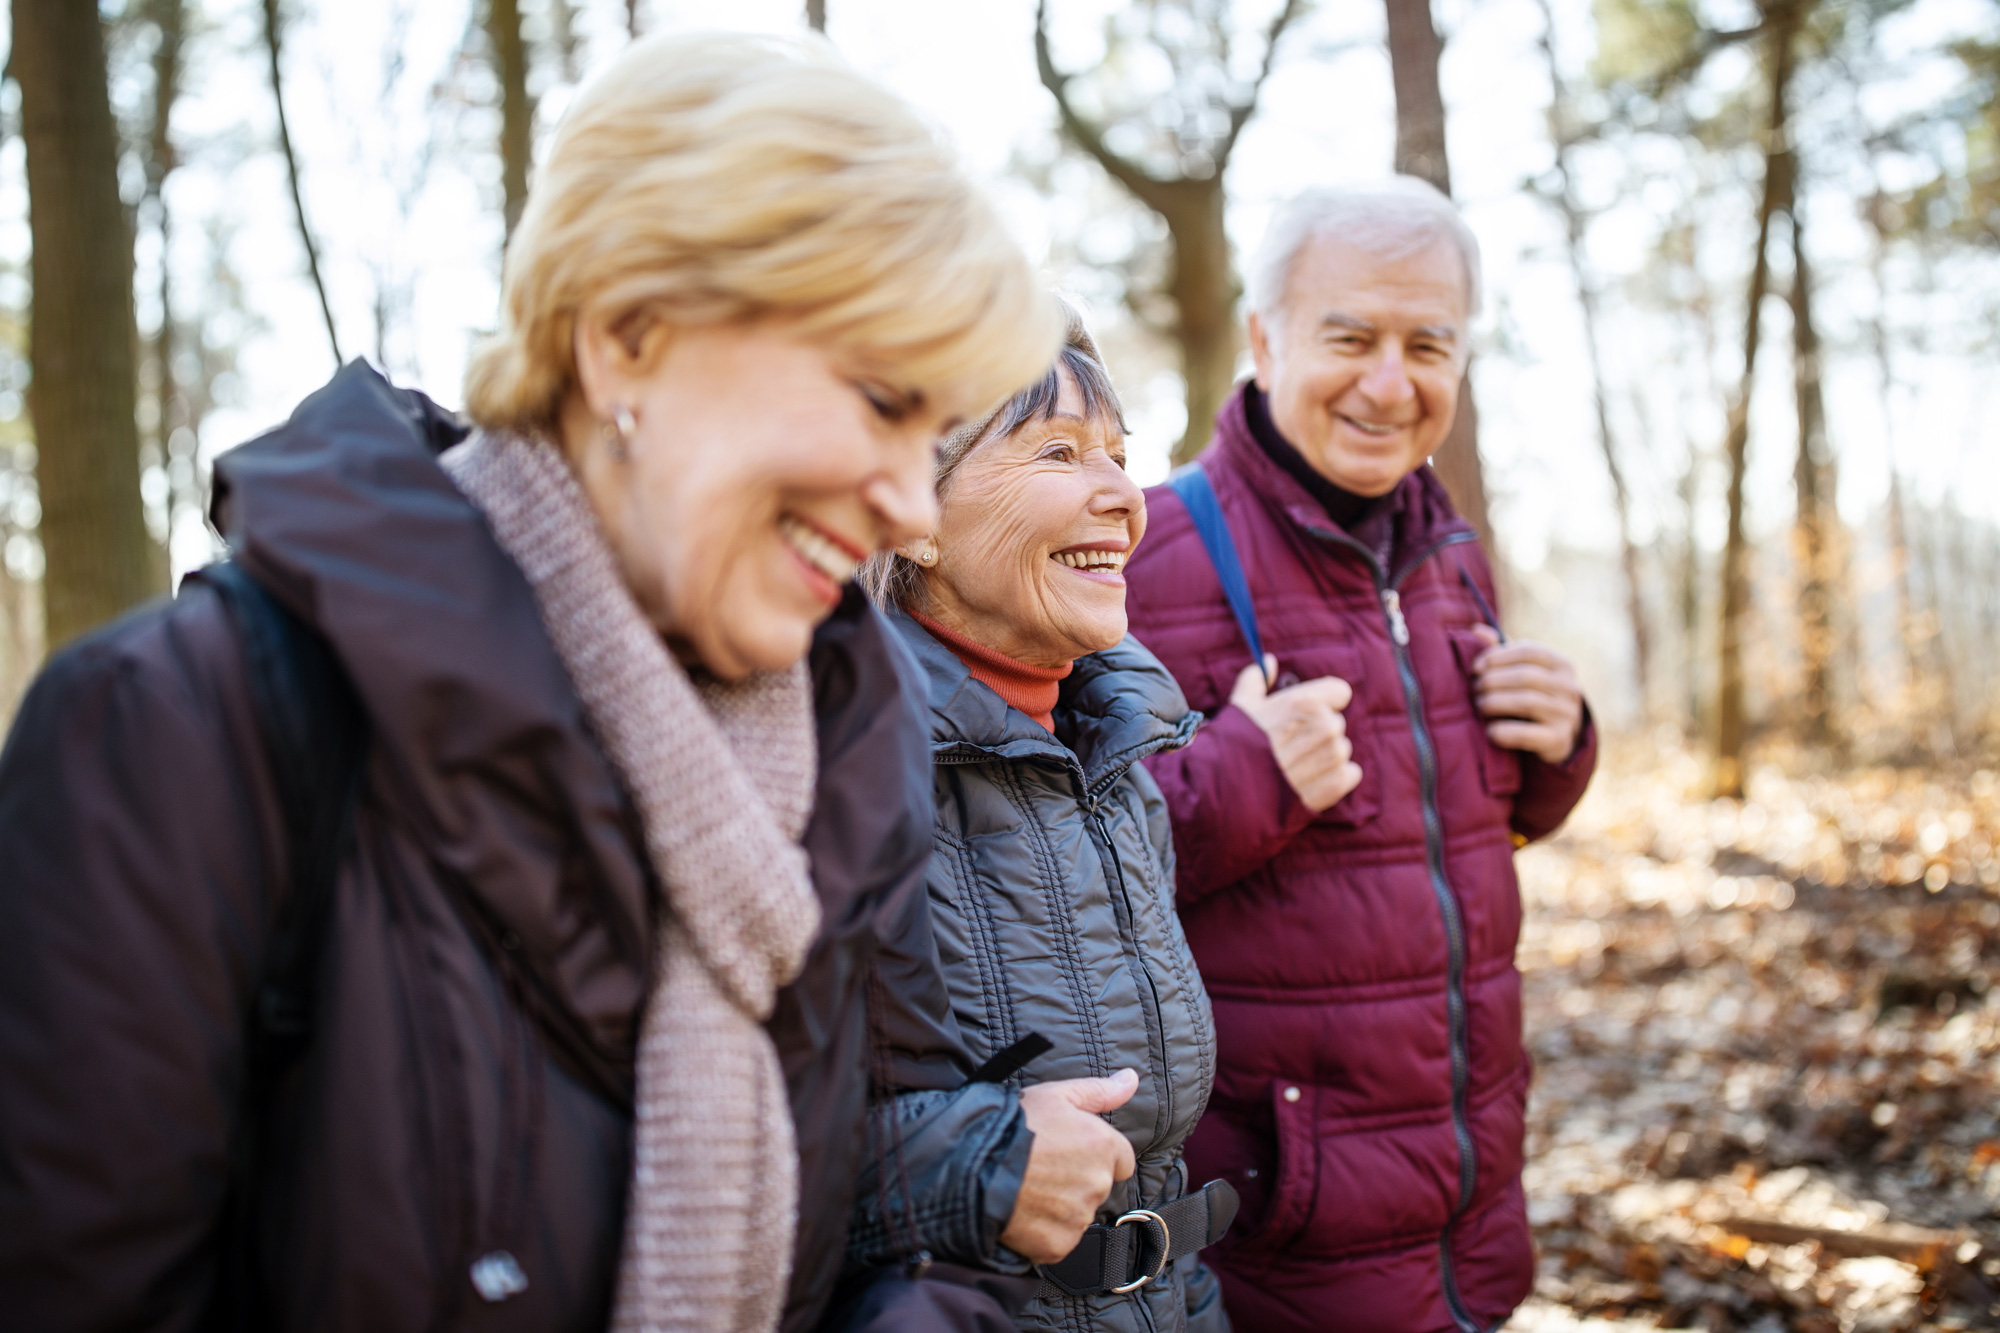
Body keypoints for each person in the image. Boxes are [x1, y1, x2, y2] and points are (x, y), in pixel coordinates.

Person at [0, 33, 1061, 1333]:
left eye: (934, 436)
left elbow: (894, 1213)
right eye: (882, 400)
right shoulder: (178, 730)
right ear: (624, 338)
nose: (916, 513)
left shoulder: (852, 728)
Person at [1121, 180, 1598, 1332]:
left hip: (1471, 1225)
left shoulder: (1446, 556)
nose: (1391, 384)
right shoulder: (1138, 556)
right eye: (1350, 338)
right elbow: (1050, 886)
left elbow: (1438, 828)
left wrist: (1557, 753)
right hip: (1277, 1255)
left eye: (1427, 344)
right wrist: (1243, 775)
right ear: (1261, 338)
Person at [851, 307, 1234, 1333]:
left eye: (1120, 454)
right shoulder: (832, 762)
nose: (1122, 496)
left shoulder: (1117, 747)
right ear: (912, 515)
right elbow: (712, 1145)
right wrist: (971, 1166)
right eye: (1058, 452)